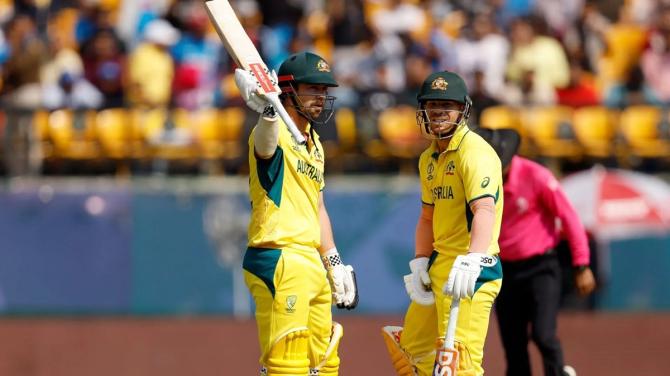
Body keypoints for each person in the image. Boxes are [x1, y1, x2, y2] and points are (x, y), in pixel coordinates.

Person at [236, 51, 359, 376]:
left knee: (324, 363)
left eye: (324, 91)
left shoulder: (314, 144)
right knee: (286, 365)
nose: (321, 97)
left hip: (310, 261)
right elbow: (264, 147)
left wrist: (333, 261)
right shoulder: (272, 134)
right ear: (288, 91)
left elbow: (316, 205)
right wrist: (267, 112)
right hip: (278, 255)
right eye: (312, 89)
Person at [382, 71, 504, 376]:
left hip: (472, 268)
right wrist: (422, 260)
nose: (438, 113)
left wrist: (473, 259)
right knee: (411, 350)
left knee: (458, 363)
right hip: (440, 265)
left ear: (463, 110)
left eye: (447, 106)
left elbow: (484, 210)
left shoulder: (473, 151)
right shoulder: (428, 158)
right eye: (432, 106)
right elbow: (427, 217)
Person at [474, 127, 596, 376]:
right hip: (503, 271)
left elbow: (569, 218)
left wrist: (581, 265)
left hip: (541, 267)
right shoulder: (479, 183)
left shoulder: (536, 176)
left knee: (543, 335)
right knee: (513, 344)